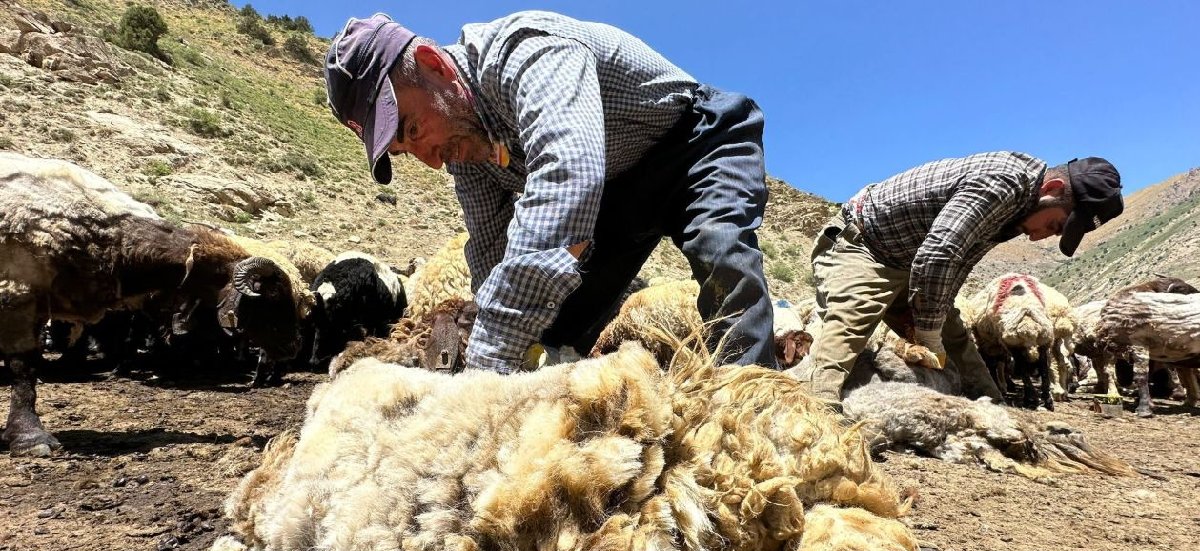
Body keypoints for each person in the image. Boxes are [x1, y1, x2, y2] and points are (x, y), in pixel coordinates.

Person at [324, 11, 778, 373]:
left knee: (721, 253)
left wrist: (489, 358)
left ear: (433, 64)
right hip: (617, 195)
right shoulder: (469, 153)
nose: (431, 160)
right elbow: (491, 253)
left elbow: (567, 179)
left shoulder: (528, 51)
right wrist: (495, 343)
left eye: (413, 129)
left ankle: (755, 406)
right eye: (406, 151)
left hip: (696, 144)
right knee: (552, 329)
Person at [806, 152, 1123, 405]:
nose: (1042, 239)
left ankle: (991, 405)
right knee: (852, 320)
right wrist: (929, 335)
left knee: (954, 336)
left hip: (910, 262)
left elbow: (957, 263)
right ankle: (818, 414)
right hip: (863, 246)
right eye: (1054, 225)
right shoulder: (1004, 183)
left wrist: (937, 324)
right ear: (1051, 190)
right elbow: (939, 254)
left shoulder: (1016, 211)